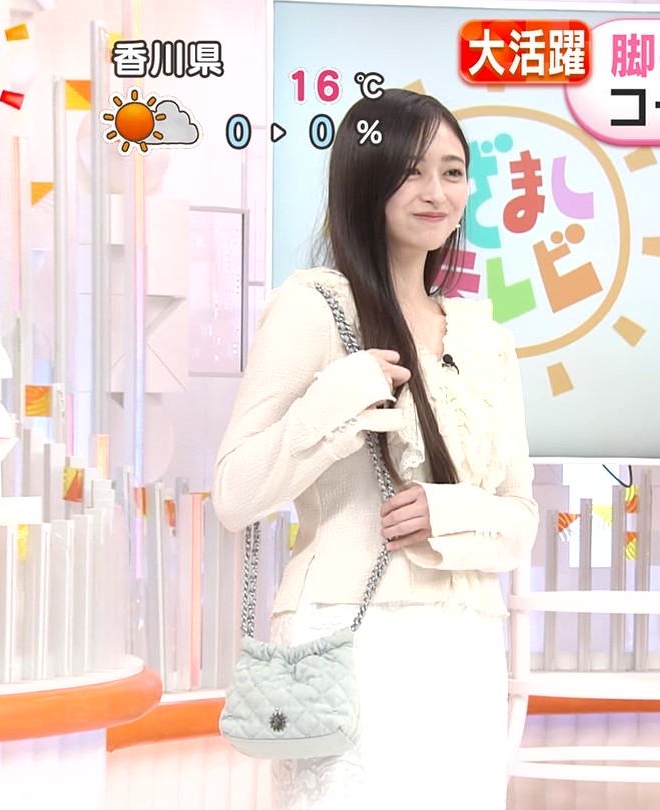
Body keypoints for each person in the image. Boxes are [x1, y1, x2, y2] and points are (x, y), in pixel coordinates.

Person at [211, 88, 539, 810]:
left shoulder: (486, 338)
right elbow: (234, 495)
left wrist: (447, 515)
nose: (435, 192)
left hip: (467, 643)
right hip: (346, 635)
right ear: (366, 179)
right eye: (410, 171)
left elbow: (520, 517)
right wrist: (333, 404)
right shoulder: (315, 306)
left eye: (452, 172)